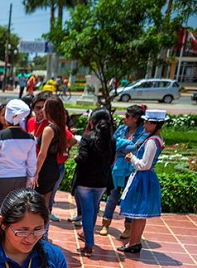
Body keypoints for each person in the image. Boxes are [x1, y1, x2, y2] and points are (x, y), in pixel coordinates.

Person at [118, 110, 168, 254]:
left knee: (138, 213)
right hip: (144, 177)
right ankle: (134, 242)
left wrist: (132, 158)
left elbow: (144, 164)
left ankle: (134, 243)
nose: (144, 124)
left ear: (154, 124)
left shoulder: (152, 141)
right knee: (138, 213)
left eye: (147, 122)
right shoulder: (156, 139)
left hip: (142, 177)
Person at [72, 108, 115, 257]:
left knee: (87, 212)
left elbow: (82, 156)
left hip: (85, 181)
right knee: (94, 209)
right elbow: (111, 161)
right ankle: (86, 235)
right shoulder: (112, 140)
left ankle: (89, 244)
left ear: (91, 122)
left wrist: (76, 159)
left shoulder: (86, 138)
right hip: (102, 182)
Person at [101, 105, 147, 238]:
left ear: (135, 119)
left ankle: (128, 227)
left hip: (132, 169)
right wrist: (124, 148)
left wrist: (120, 147)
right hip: (117, 169)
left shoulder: (143, 132)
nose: (123, 118)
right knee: (112, 197)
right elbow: (111, 144)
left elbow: (135, 148)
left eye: (127, 116)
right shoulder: (121, 129)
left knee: (128, 198)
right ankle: (105, 223)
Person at [0, 100, 37, 215]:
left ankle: (1, 233)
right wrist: (30, 181)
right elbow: (32, 164)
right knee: (16, 214)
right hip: (21, 179)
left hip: (1, 180)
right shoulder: (30, 138)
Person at [33, 96, 67, 210]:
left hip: (45, 170)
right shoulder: (60, 127)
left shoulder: (49, 129)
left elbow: (42, 154)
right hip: (53, 168)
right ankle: (44, 227)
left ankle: (40, 227)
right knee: (46, 205)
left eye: (44, 107)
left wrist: (36, 173)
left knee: (37, 205)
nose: (42, 110)